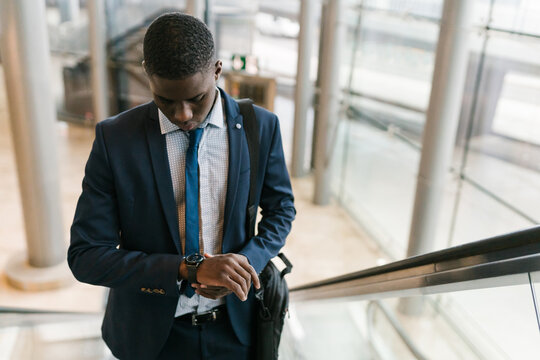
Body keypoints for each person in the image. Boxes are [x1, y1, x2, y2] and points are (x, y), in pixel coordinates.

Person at [67, 12, 295, 360]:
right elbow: (85, 256)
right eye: (167, 101)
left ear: (217, 70)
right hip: (151, 337)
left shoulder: (260, 127)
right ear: (147, 74)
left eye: (197, 98)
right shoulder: (115, 140)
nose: (183, 115)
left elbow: (281, 210)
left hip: (238, 330)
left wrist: (243, 263)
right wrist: (188, 269)